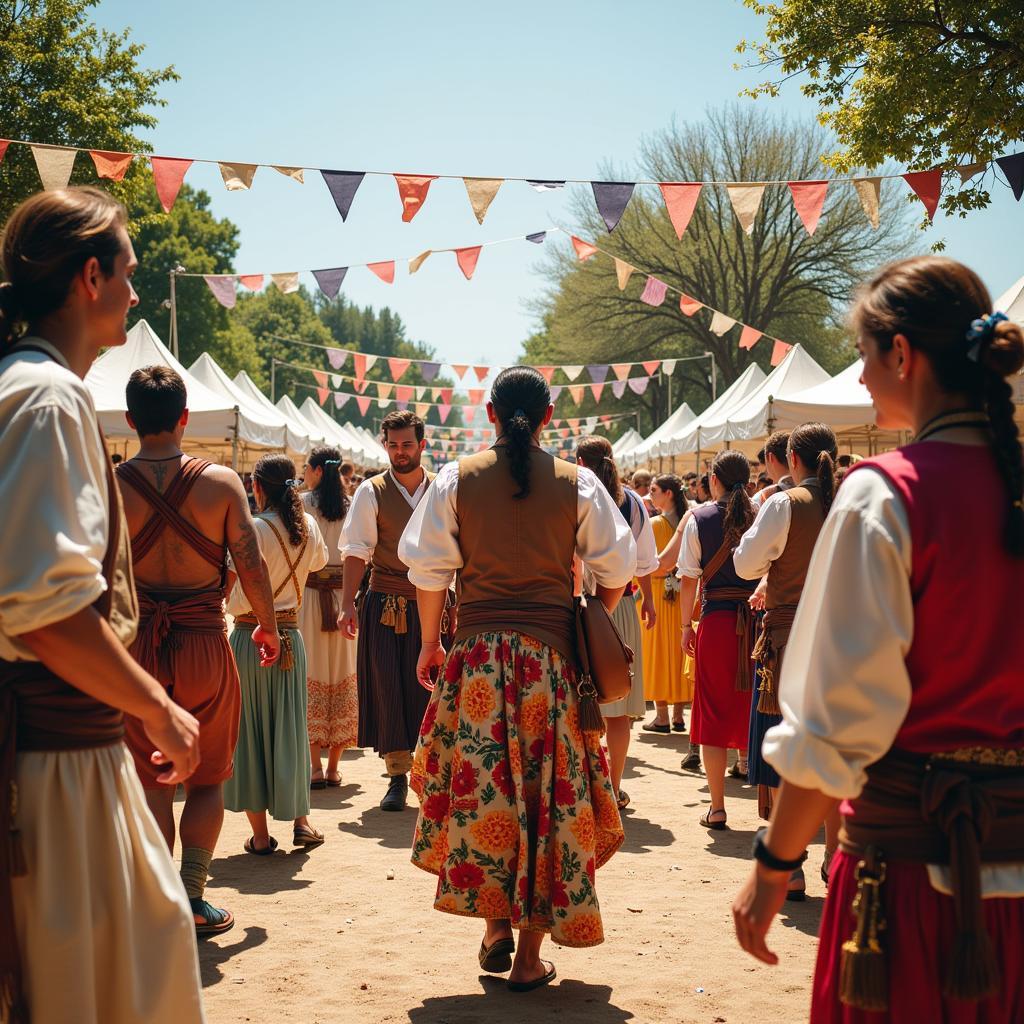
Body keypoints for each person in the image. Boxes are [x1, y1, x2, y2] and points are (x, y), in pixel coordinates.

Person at [733, 256, 1024, 1023]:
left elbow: (836, 728)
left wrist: (772, 864)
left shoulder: (887, 492)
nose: (860, 379)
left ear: (902, 354)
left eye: (865, 355)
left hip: (908, 884)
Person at [0, 186, 205, 1022]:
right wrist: (158, 708)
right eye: (128, 271)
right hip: (51, 768)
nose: (136, 290)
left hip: (60, 755)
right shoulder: (46, 399)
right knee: (99, 987)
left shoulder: (28, 386)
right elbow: (41, 610)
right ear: (90, 277)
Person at [399, 366, 636, 990]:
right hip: (551, 664)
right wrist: (587, 623)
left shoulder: (454, 477)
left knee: (489, 792)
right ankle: (529, 960)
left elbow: (428, 571)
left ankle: (494, 928)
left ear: (490, 415)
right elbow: (620, 566)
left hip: (476, 660)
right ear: (550, 417)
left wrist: (431, 642)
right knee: (547, 796)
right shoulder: (579, 483)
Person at [117, 365, 279, 937]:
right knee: (208, 777)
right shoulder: (221, 484)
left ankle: (161, 898)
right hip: (205, 642)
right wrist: (267, 628)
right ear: (185, 416)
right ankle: (191, 894)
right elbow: (250, 565)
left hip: (138, 648)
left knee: (151, 776)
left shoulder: (112, 484)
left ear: (132, 420)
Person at [734, 423, 842, 899]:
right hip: (844, 640)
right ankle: (835, 859)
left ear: (793, 459)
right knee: (836, 750)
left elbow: (745, 564)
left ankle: (792, 865)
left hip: (789, 641)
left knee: (785, 745)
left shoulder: (784, 504)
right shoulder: (852, 503)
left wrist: (769, 573)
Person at [225, 454, 328, 853]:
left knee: (249, 732)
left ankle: (262, 836)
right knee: (291, 730)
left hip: (249, 638)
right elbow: (317, 565)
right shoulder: (310, 527)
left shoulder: (250, 528)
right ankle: (301, 821)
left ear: (257, 488)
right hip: (291, 638)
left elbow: (227, 580)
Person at [339, 410, 436, 811]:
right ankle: (397, 775)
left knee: (432, 692)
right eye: (393, 445)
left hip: (435, 602)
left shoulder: (443, 488)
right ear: (385, 446)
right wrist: (347, 603)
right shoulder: (371, 491)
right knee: (389, 687)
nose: (400, 452)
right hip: (384, 604)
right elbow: (356, 551)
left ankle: (430, 776)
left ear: (422, 445)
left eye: (407, 444)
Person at [575, 436, 658, 809]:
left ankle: (581, 786)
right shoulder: (635, 503)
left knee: (579, 702)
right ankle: (613, 787)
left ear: (579, 460)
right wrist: (650, 602)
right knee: (618, 707)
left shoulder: (573, 495)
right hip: (621, 605)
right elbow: (644, 563)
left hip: (577, 608)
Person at [677, 451, 757, 828]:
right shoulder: (764, 514)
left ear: (714, 480)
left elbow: (688, 579)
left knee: (712, 713)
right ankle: (771, 806)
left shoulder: (699, 518)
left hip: (717, 623)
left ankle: (718, 806)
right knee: (763, 707)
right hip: (760, 625)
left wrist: (684, 627)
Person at [300, 446, 358, 788]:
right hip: (344, 598)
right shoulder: (351, 506)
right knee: (341, 673)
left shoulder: (303, 504)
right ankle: (334, 767)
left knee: (312, 672)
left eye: (307, 467)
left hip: (310, 597)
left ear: (319, 470)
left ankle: (314, 766)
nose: (305, 472)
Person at [641, 475, 692, 734]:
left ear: (669, 493)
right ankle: (679, 716)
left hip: (660, 592)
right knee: (680, 652)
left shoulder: (654, 524)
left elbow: (649, 562)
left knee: (658, 652)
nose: (650, 495)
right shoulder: (690, 520)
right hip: (684, 593)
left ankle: (662, 716)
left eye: (654, 490)